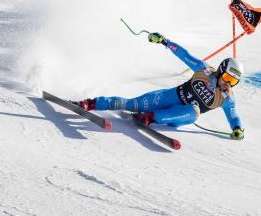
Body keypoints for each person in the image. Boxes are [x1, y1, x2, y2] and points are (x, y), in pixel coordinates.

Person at [77, 32, 245, 140]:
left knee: (194, 111)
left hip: (179, 115)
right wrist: (165, 41)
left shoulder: (226, 97)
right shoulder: (204, 70)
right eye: (228, 77)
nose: (228, 83)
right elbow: (184, 55)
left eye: (234, 81)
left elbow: (233, 116)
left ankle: (150, 117)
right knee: (131, 104)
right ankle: (91, 103)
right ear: (222, 70)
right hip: (169, 97)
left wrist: (237, 128)